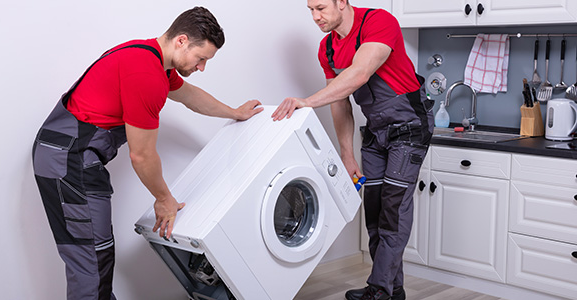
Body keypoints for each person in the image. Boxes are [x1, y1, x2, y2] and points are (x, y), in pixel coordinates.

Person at [32, 6, 262, 300]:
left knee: (93, 254)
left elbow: (190, 96)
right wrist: (165, 199)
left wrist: (234, 112)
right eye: (201, 58)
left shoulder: (148, 55)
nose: (202, 67)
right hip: (69, 161)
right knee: (91, 257)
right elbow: (141, 155)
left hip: (65, 154)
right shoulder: (146, 75)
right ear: (181, 40)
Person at [272, 1, 433, 299]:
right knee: (374, 209)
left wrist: (306, 102)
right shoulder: (328, 49)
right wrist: (346, 154)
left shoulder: (378, 21)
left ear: (342, 2)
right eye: (310, 10)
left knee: (393, 209)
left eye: (320, 7)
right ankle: (392, 289)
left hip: (408, 127)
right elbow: (340, 101)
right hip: (375, 130)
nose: (315, 16)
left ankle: (380, 288)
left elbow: (359, 74)